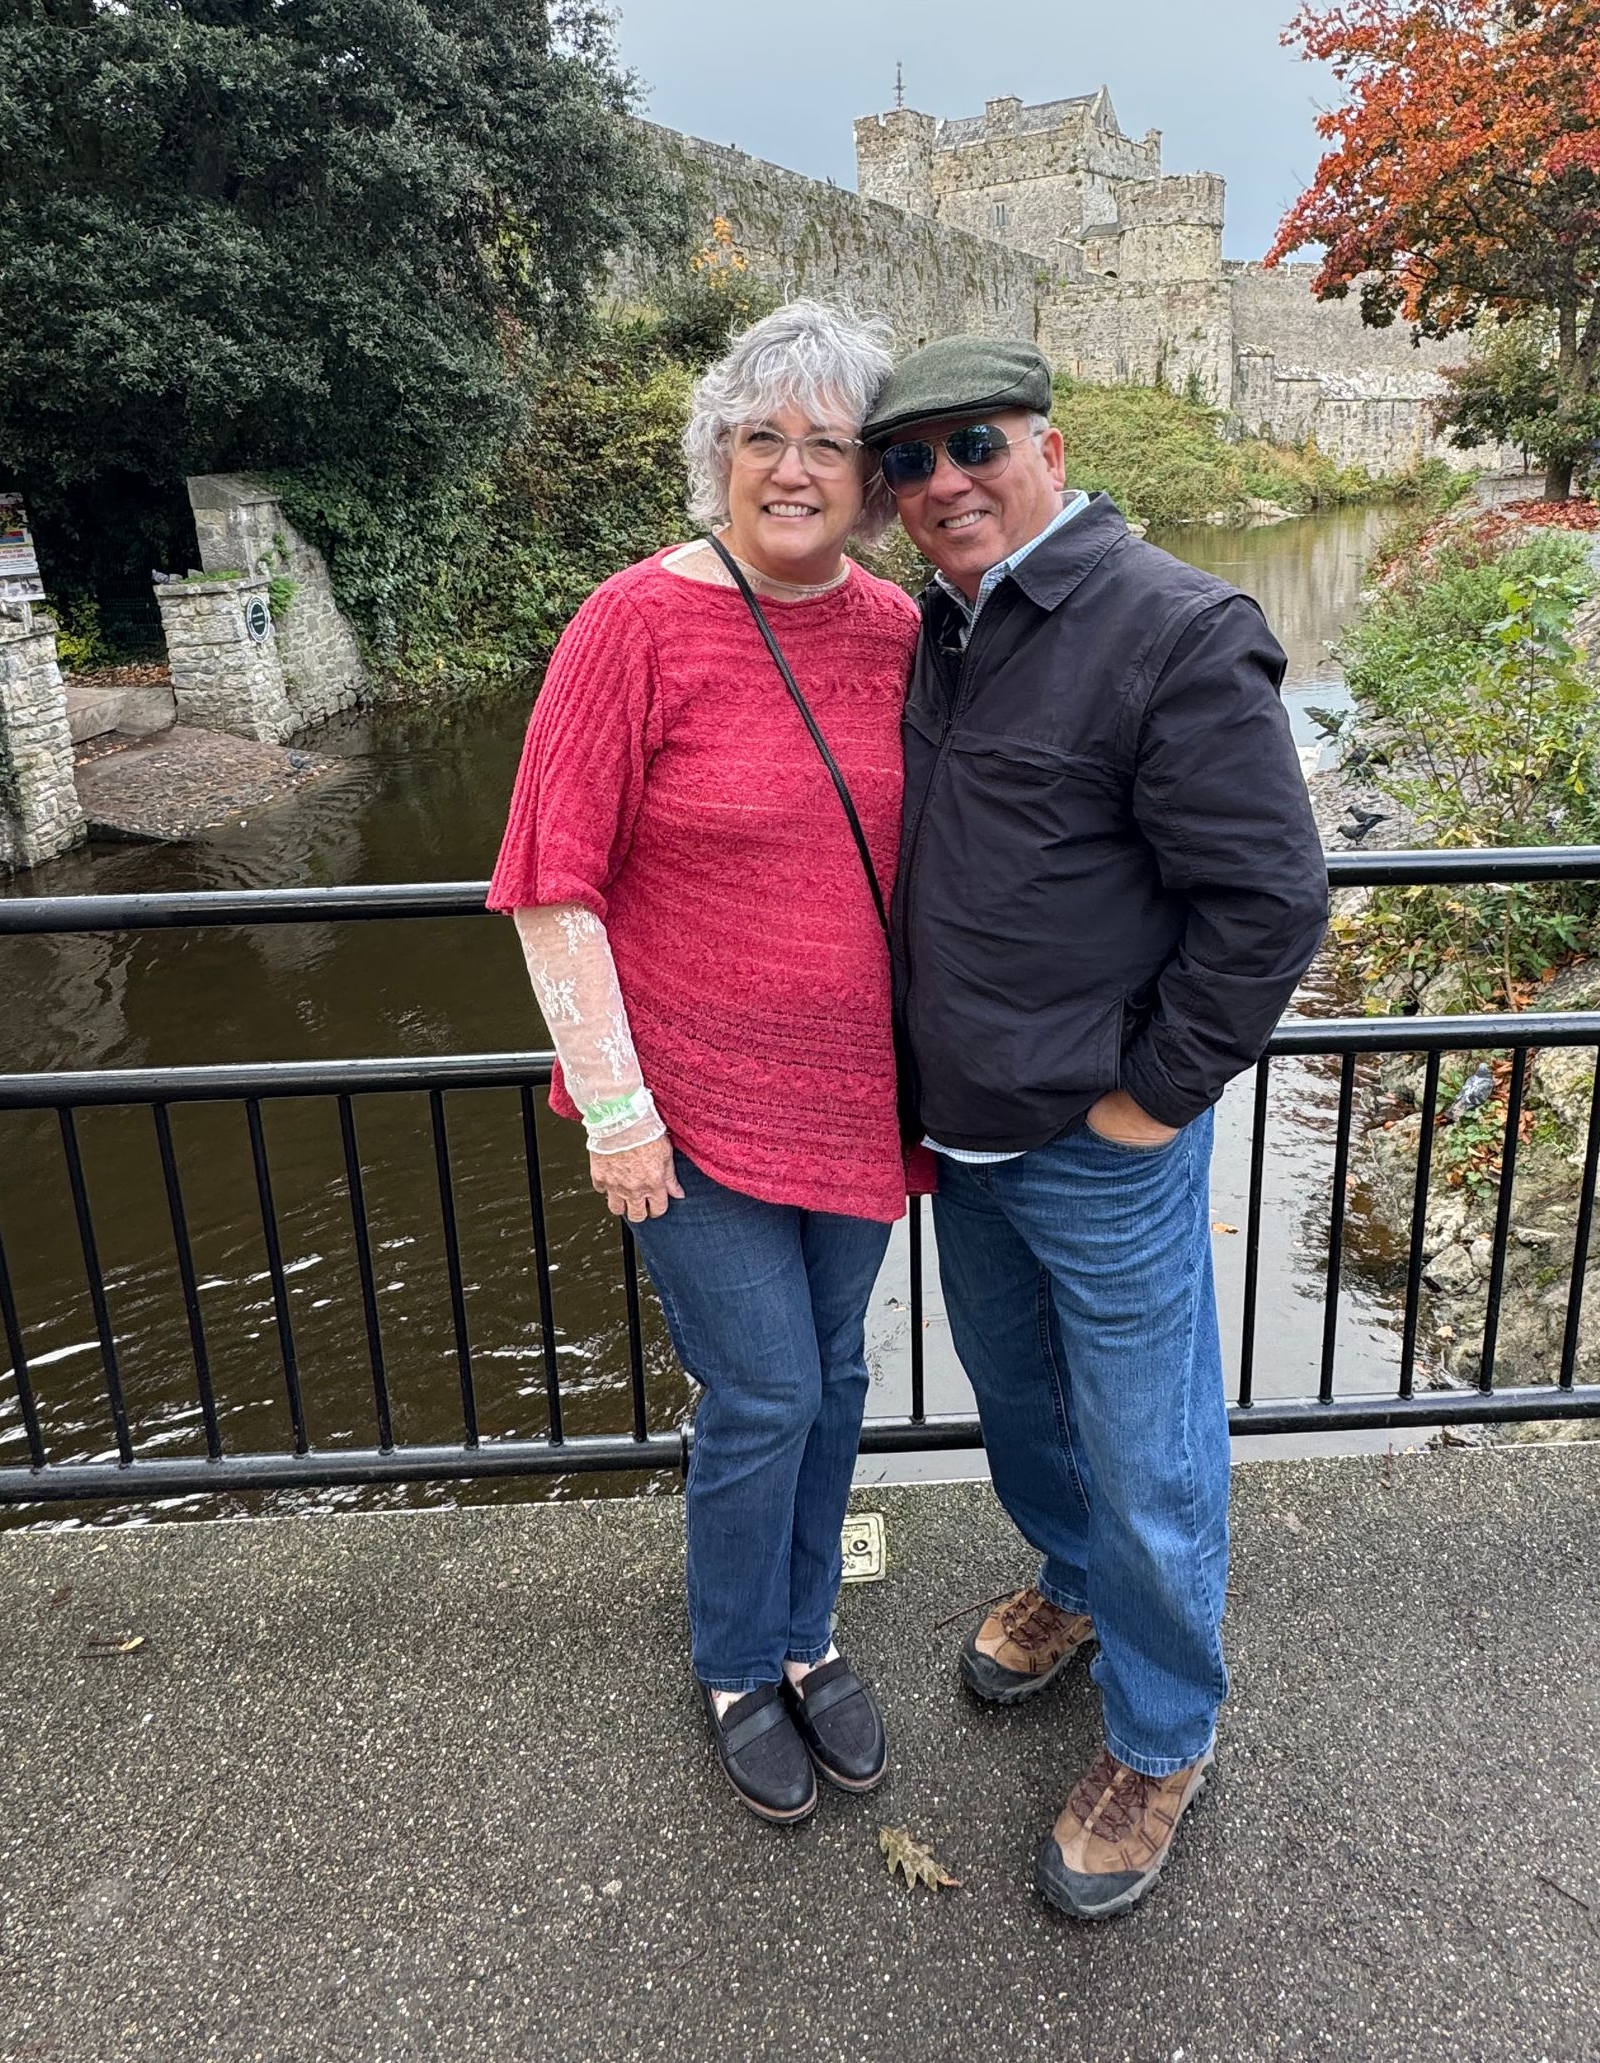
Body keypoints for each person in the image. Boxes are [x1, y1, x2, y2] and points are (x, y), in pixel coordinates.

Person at [864, 335, 1328, 1920]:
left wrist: (1153, 1097)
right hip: (968, 1135)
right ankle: (1072, 1588)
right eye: (905, 465)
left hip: (1097, 1141)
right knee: (1021, 1408)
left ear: (1047, 445)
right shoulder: (949, 627)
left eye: (968, 444)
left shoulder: (1172, 624)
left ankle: (1161, 1735)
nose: (938, 484)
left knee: (1147, 1452)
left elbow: (1266, 904)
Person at [490, 301, 928, 1827]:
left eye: (826, 444)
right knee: (762, 1395)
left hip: (861, 1099)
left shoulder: (902, 631)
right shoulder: (634, 620)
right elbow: (553, 881)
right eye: (763, 438)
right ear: (718, 457)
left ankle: (811, 1634)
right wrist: (613, 1107)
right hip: (690, 1106)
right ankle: (741, 1663)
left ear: (872, 481)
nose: (792, 470)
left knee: (840, 1378)